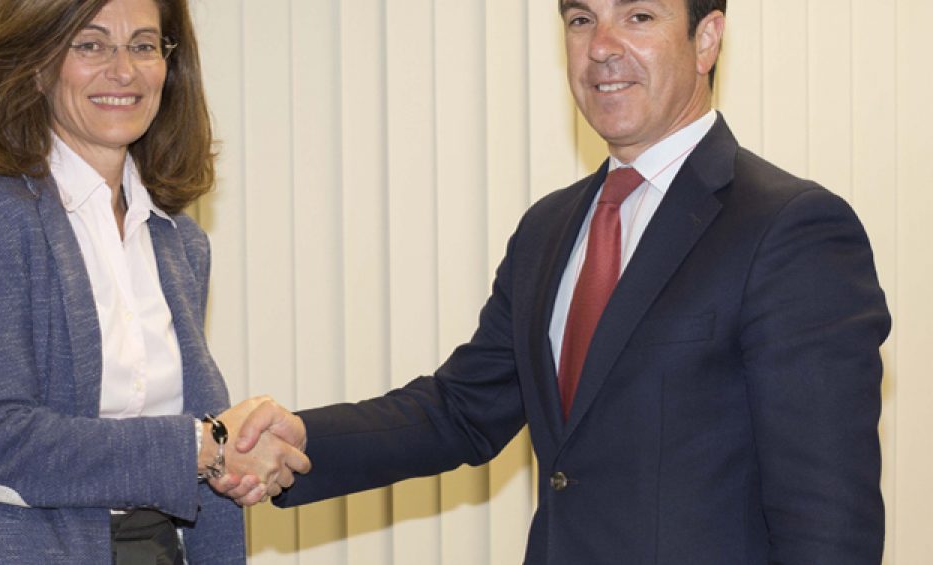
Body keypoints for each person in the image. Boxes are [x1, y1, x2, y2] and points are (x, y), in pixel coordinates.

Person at [228, 0, 891, 563]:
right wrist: (300, 441)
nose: (602, 46)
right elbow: (462, 410)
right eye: (580, 20)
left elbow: (828, 517)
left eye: (638, 16)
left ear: (706, 39)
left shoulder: (790, 228)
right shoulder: (549, 228)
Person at [0, 0, 309, 562]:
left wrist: (235, 448)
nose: (124, 70)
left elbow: (193, 450)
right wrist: (201, 445)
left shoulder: (180, 241)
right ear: (36, 65)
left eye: (143, 45)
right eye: (91, 45)